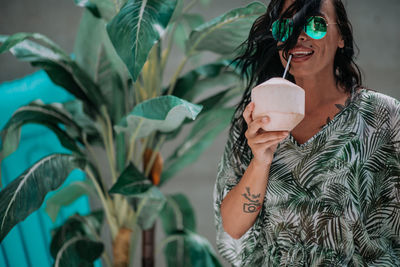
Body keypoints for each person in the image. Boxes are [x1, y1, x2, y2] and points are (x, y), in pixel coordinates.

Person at [213, 0, 400, 265]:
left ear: (342, 38)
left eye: (315, 24)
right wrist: (261, 159)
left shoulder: (383, 116)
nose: (298, 36)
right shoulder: (257, 116)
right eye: (285, 26)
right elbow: (233, 226)